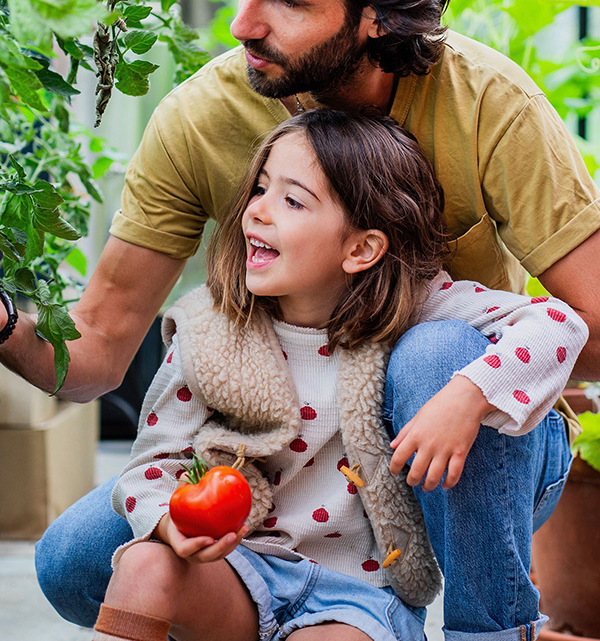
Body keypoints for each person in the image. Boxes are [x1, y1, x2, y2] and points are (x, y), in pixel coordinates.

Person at [0, 0, 597, 630]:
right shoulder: (201, 118)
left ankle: (486, 628)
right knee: (79, 558)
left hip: (456, 440)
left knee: (432, 354)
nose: (242, 22)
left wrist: (463, 377)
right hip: (280, 476)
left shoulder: (491, 105)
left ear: (378, 15)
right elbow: (102, 347)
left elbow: (590, 319)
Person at [93, 110, 586, 641]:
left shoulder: (413, 311)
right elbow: (154, 459)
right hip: (244, 571)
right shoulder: (210, 329)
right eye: (260, 188)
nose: (257, 210)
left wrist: (466, 397)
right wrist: (168, 522)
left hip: (356, 600)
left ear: (361, 249)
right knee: (142, 566)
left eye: (293, 200)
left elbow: (559, 322)